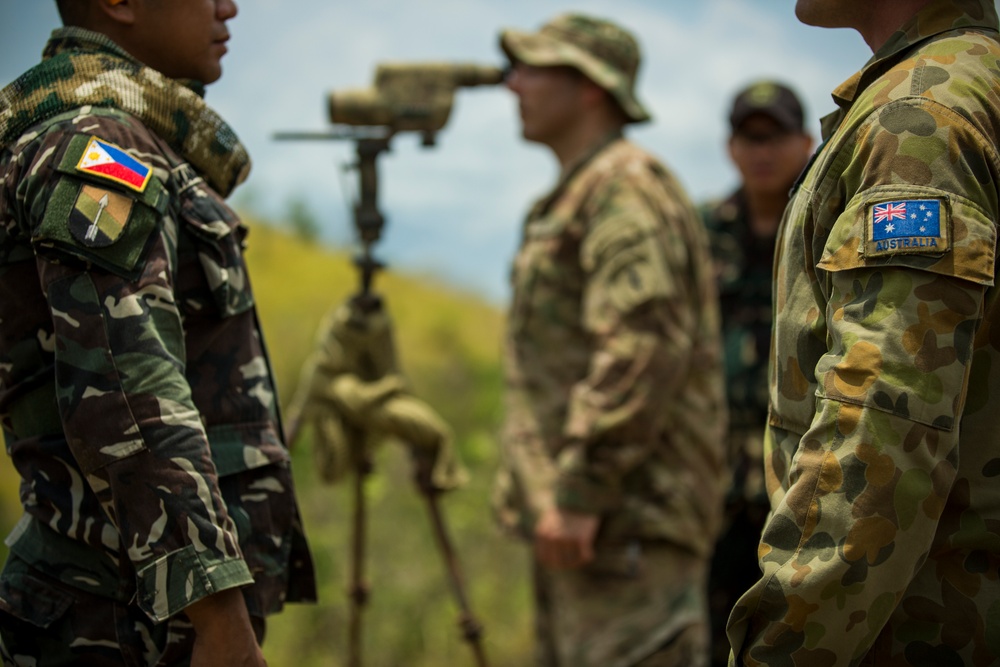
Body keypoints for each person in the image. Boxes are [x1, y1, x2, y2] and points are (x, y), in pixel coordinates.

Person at [0, 0, 317, 665]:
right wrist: (214, 607)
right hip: (119, 617)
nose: (230, 6)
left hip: (143, 606)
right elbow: (121, 380)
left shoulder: (131, 138)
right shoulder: (99, 147)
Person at [726, 0, 1000, 664]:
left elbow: (885, 428)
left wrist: (782, 647)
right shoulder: (967, 86)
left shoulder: (917, 119)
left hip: (920, 626)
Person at [492, 13, 727, 667]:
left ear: (591, 85)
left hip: (624, 520)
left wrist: (580, 489)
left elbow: (642, 343)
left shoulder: (624, 189)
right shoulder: (581, 192)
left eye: (533, 68)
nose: (514, 84)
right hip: (593, 525)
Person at [700, 80, 813, 667]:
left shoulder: (827, 223)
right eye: (750, 137)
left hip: (798, 471)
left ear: (807, 141)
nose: (762, 151)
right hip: (709, 475)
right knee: (706, 630)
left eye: (776, 136)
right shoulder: (699, 234)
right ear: (730, 147)